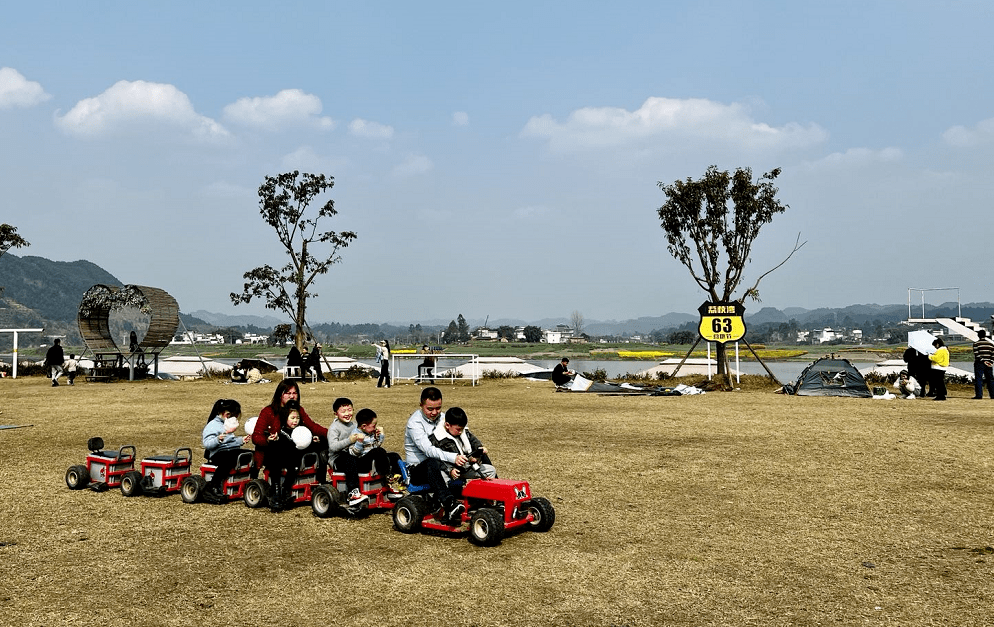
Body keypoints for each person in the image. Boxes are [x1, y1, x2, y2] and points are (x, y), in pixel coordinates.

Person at [251, 380, 329, 510]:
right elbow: (256, 437)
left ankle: (321, 484)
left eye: (294, 393)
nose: (292, 396)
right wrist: (269, 439)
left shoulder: (298, 410)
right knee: (277, 448)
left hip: (293, 450)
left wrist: (330, 435)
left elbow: (313, 427)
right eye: (287, 393)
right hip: (273, 452)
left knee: (322, 443)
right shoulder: (268, 411)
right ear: (280, 395)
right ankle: (276, 492)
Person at [404, 386, 466, 523]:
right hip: (419, 470)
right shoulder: (414, 423)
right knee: (431, 462)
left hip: (442, 466)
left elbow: (461, 431)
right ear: (421, 405)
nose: (434, 412)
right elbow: (428, 450)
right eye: (430, 409)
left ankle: (494, 495)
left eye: (438, 408)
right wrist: (453, 458)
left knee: (476, 454)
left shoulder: (443, 418)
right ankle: (449, 503)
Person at [346, 409, 404, 502]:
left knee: (394, 456)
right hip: (361, 462)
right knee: (378, 451)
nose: (375, 428)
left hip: (373, 458)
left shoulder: (370, 433)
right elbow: (353, 453)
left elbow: (376, 446)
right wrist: (359, 442)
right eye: (374, 426)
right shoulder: (355, 434)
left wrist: (381, 436)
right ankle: (388, 476)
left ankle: (399, 480)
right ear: (364, 426)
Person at [201, 398, 252, 503]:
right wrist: (218, 439)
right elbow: (207, 443)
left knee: (251, 455)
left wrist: (241, 440)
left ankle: (251, 481)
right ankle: (213, 485)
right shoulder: (213, 425)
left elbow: (230, 441)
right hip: (217, 453)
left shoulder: (226, 424)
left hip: (230, 450)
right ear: (225, 414)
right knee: (228, 459)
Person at [428, 406, 496, 482]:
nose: (460, 432)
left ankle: (484, 492)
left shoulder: (464, 432)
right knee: (442, 477)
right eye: (458, 429)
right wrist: (450, 470)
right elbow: (436, 459)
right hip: (451, 471)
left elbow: (474, 441)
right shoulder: (437, 438)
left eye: (462, 429)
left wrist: (479, 450)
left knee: (490, 470)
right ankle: (448, 493)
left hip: (466, 468)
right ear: (447, 425)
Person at [971, 329, 994, 399]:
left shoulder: (976, 344)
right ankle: (992, 395)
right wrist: (990, 362)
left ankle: (979, 395)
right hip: (989, 364)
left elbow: (977, 355)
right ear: (985, 335)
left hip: (979, 363)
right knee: (990, 379)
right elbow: (993, 355)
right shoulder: (990, 344)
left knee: (978, 379)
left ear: (978, 335)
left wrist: (983, 361)